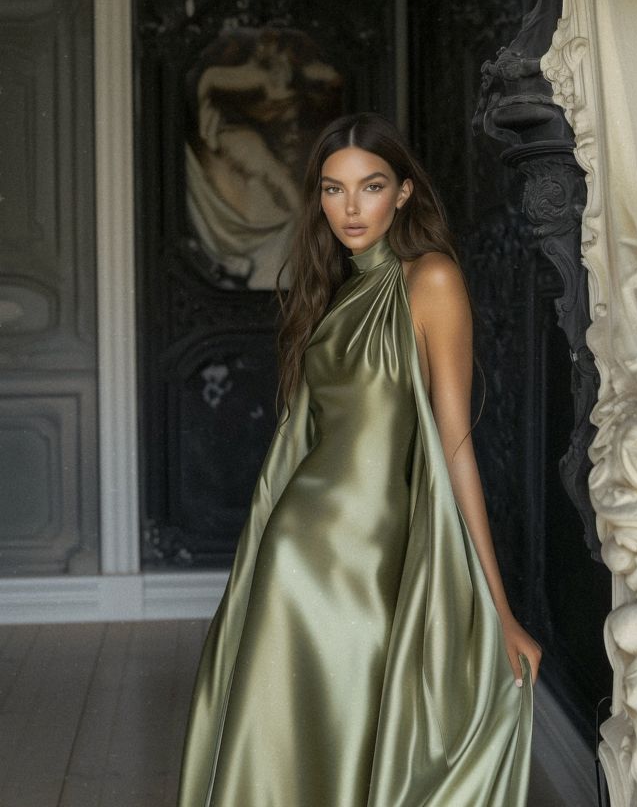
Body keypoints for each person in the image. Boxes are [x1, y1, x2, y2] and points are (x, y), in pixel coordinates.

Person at [176, 112, 541, 807]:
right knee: (300, 739)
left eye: (370, 187)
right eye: (332, 189)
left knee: (363, 732)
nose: (349, 208)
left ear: (403, 193)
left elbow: (453, 443)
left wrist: (499, 608)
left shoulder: (429, 280)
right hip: (298, 551)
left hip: (373, 556)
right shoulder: (334, 293)